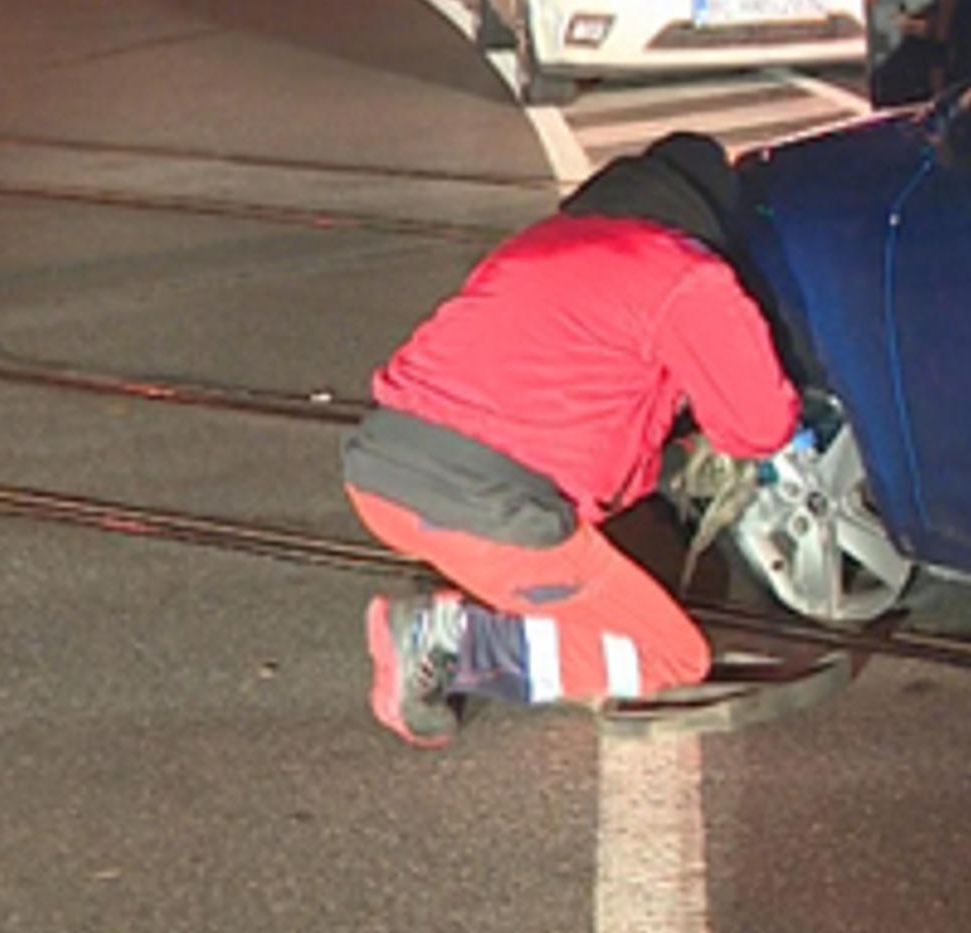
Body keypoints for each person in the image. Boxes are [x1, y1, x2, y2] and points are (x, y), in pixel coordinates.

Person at [343, 132, 800, 746]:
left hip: (379, 474)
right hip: (488, 507)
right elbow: (758, 428)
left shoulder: (531, 246)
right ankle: (453, 640)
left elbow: (557, 395)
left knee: (573, 553)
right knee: (668, 656)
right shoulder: (688, 275)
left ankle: (490, 605)